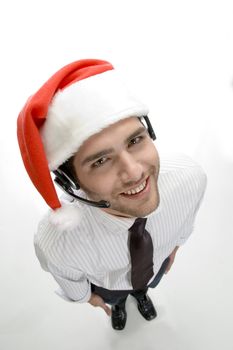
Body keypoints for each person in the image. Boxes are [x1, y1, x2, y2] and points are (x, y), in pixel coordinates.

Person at [17, 59, 207, 331]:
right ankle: (119, 305)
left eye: (135, 140)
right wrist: (89, 298)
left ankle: (141, 295)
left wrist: (174, 247)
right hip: (110, 286)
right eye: (100, 161)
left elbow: (185, 223)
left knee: (147, 284)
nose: (134, 172)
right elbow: (72, 281)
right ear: (71, 181)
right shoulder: (58, 243)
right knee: (117, 297)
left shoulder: (190, 178)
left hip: (156, 265)